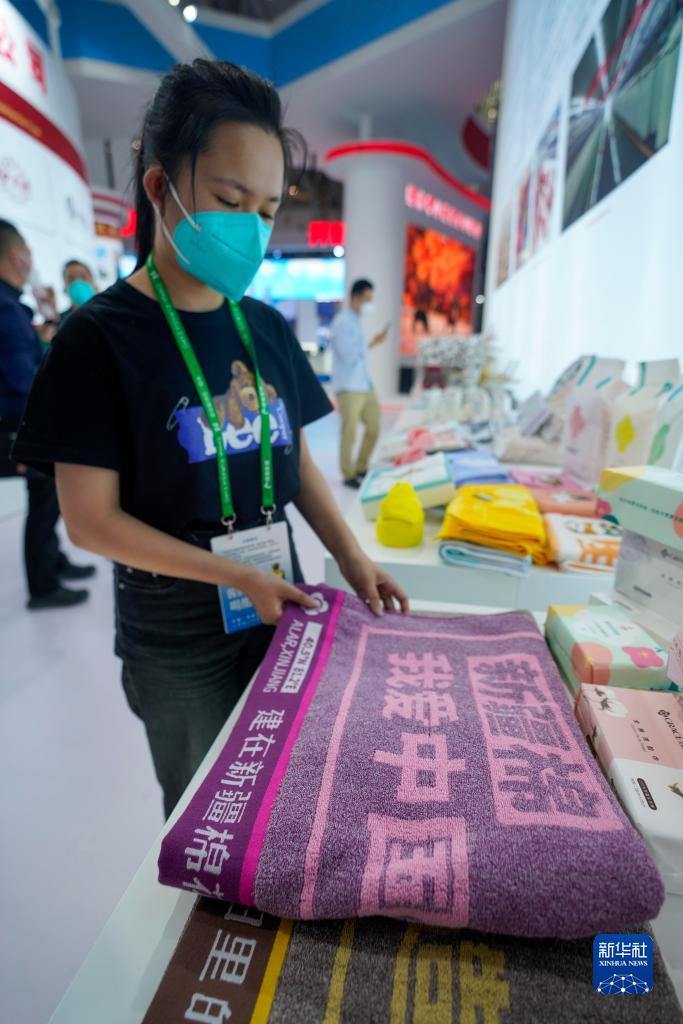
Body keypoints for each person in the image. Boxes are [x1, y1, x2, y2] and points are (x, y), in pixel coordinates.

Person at [14, 60, 408, 818]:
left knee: (287, 792)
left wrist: (354, 558)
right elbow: (91, 522)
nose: (251, 228)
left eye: (266, 209)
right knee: (207, 809)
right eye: (230, 201)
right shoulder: (96, 340)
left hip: (278, 591)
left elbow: (292, 462)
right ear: (159, 187)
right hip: (177, 624)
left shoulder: (263, 325)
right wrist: (231, 576)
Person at [0, 222, 95, 607]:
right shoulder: (7, 311)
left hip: (27, 422)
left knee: (48, 498)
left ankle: (53, 563)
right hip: (21, 425)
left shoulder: (14, 308)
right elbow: (23, 379)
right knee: (43, 501)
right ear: (15, 255)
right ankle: (43, 585)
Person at [330, 278, 389, 488]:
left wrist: (372, 342)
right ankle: (348, 474)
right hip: (348, 386)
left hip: (364, 383)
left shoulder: (356, 321)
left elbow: (358, 352)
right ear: (355, 297)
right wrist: (367, 345)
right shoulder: (342, 322)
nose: (370, 304)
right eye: (367, 299)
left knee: (374, 426)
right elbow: (348, 355)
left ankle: (362, 466)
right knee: (350, 431)